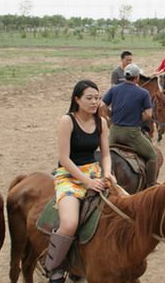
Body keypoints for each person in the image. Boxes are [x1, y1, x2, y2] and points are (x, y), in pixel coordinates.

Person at [45, 80, 116, 283]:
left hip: (95, 173)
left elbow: (106, 154)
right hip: (70, 175)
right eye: (89, 98)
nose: (95, 102)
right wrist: (86, 182)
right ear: (77, 99)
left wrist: (108, 174)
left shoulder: (101, 122)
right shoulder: (67, 121)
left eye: (97, 97)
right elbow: (65, 158)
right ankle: (54, 268)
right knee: (69, 224)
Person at [102, 64, 157, 187]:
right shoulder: (143, 93)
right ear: (137, 77)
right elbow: (148, 114)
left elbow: (102, 106)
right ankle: (151, 184)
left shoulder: (114, 89)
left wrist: (111, 117)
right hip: (132, 134)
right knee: (153, 156)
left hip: (114, 132)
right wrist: (137, 119)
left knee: (104, 155)